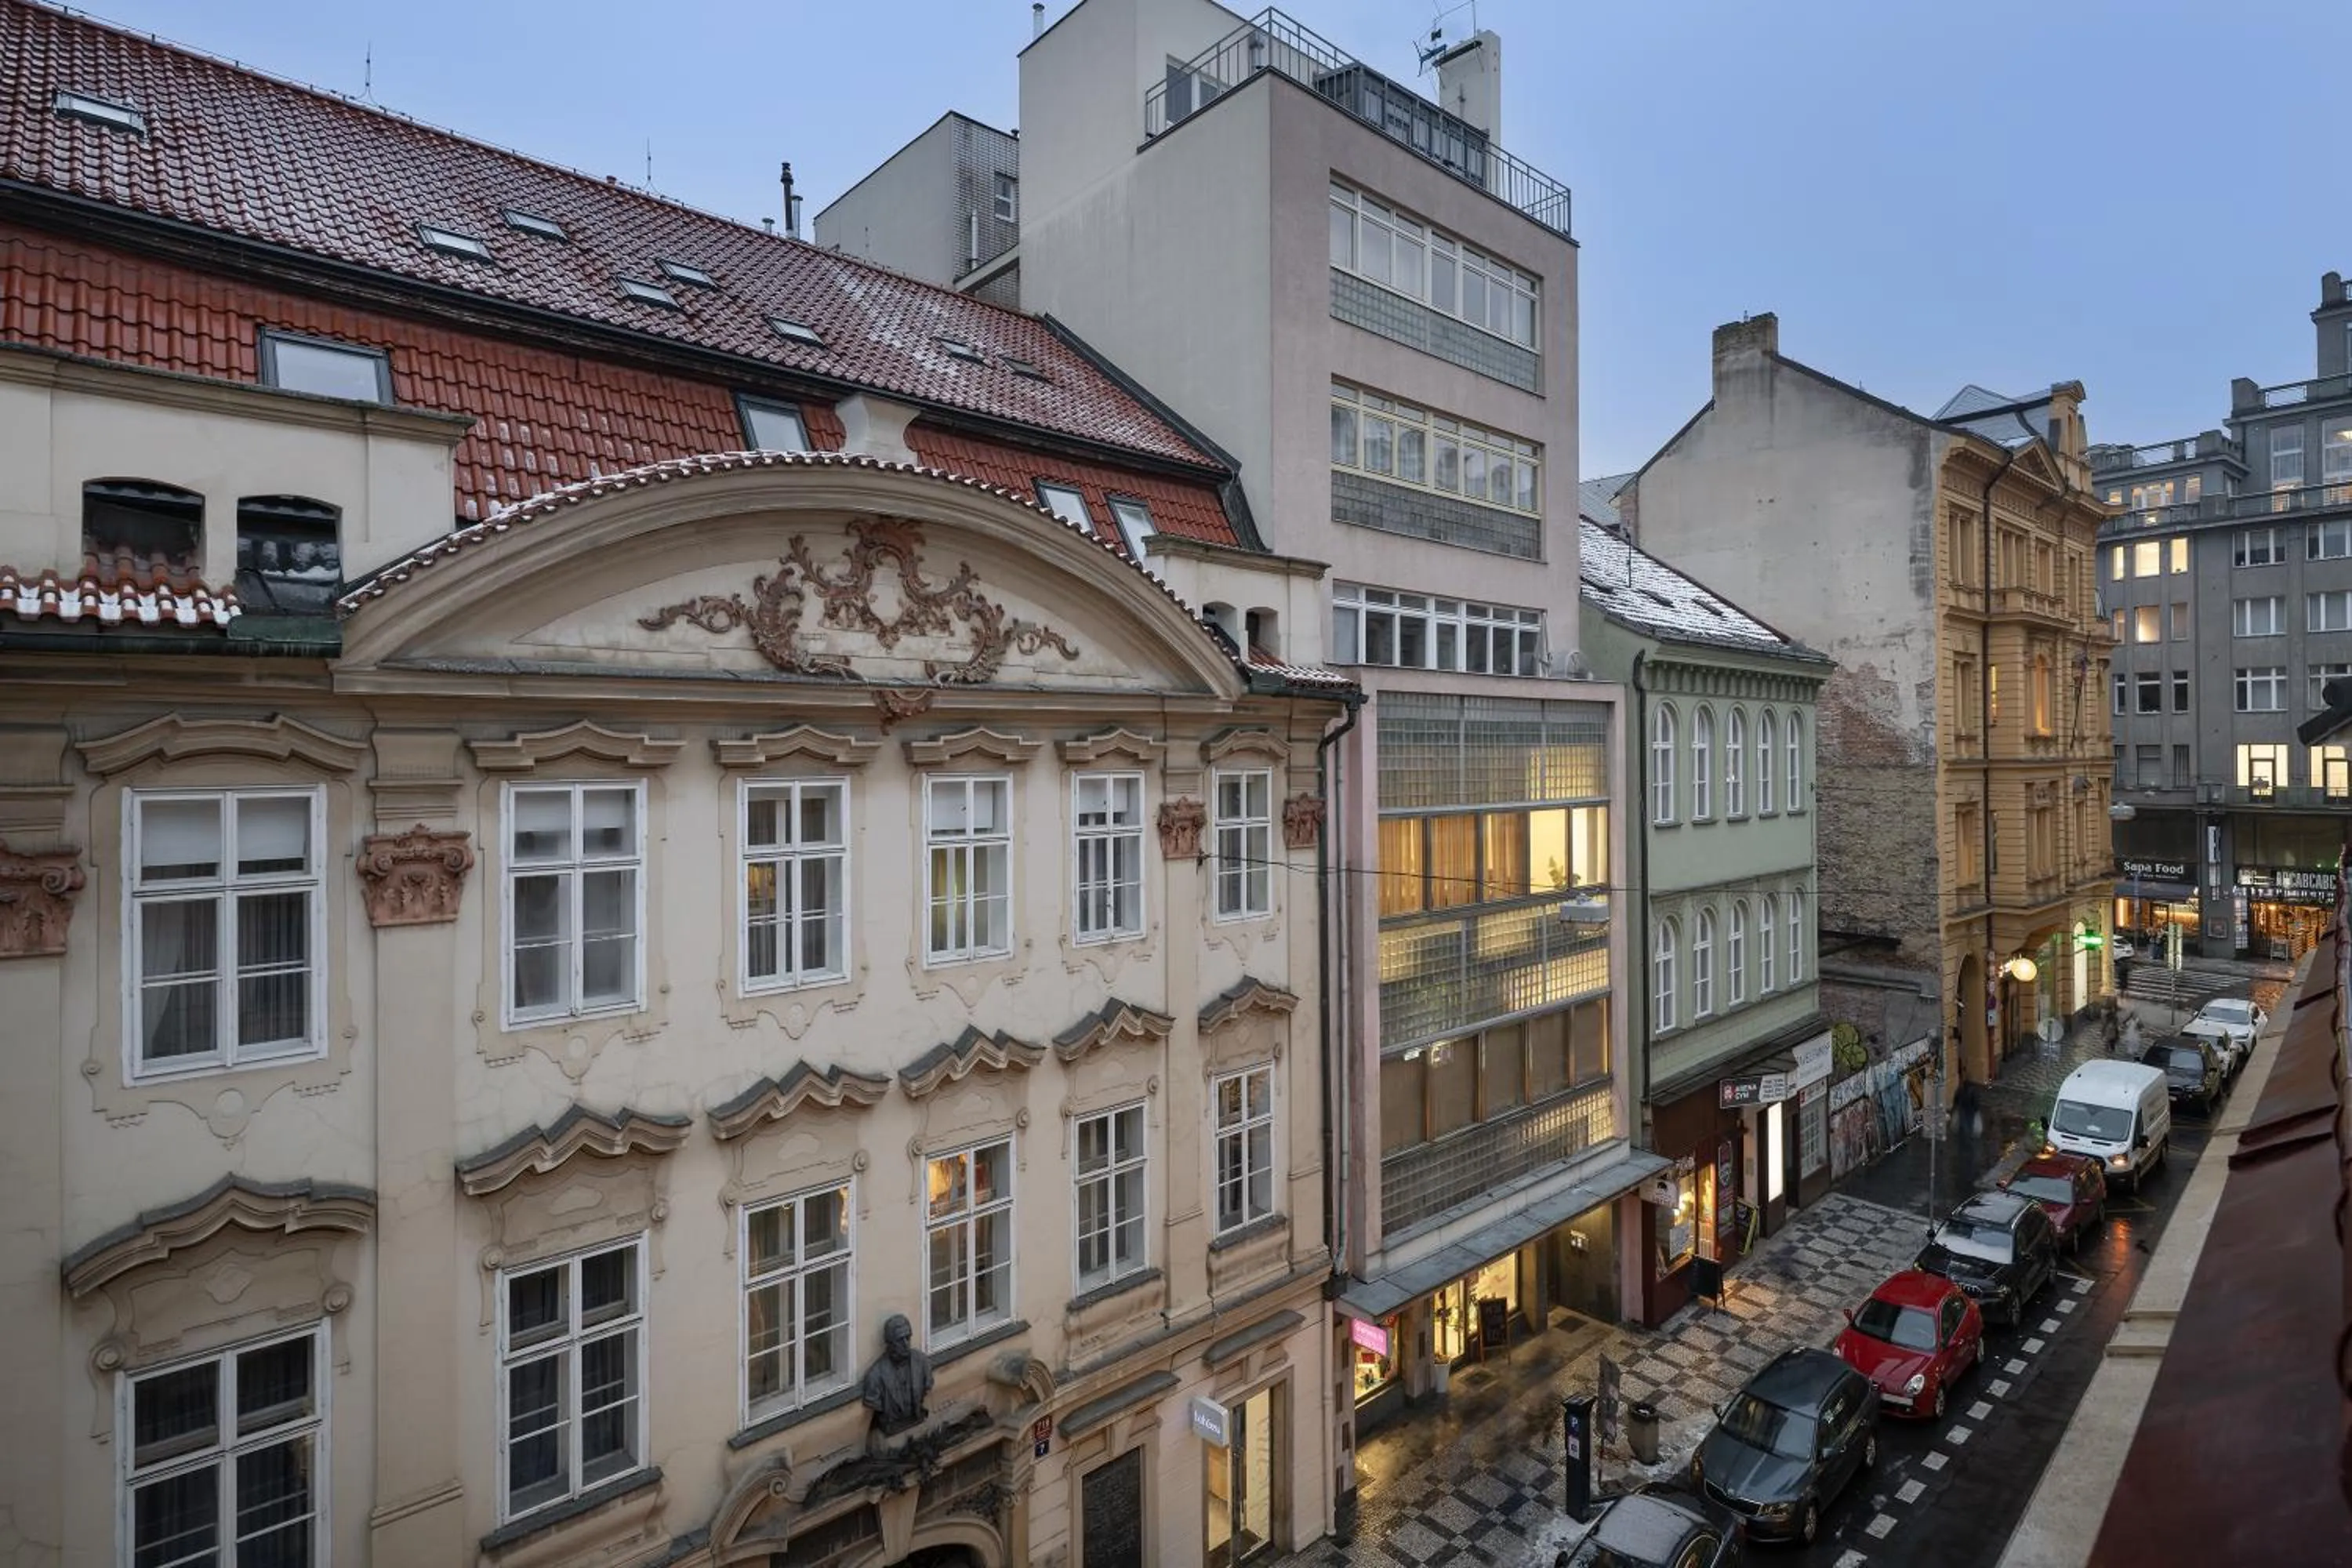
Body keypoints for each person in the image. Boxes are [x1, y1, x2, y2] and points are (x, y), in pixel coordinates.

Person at [861, 1312, 935, 1450]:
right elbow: (873, 1403)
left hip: (917, 1422)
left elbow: (927, 1386)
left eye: (908, 1338)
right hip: (891, 1430)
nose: (906, 1344)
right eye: (900, 1340)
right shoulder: (875, 1376)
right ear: (890, 1343)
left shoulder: (923, 1363)